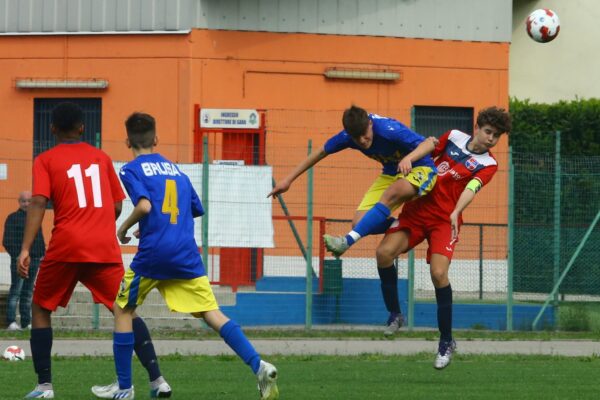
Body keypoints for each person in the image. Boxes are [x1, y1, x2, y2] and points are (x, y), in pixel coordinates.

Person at [96, 112, 278, 400]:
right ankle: (258, 364)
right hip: (185, 254)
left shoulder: (131, 170)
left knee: (122, 310)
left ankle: (124, 387)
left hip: (155, 255)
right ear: (156, 139)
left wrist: (124, 227)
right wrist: (158, 225)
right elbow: (193, 207)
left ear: (127, 140)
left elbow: (144, 206)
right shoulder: (175, 169)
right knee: (212, 313)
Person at [17, 102, 170, 399]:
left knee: (40, 307)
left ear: (52, 130)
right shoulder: (101, 158)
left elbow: (38, 202)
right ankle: (158, 380)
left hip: (66, 246)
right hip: (102, 247)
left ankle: (44, 386)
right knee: (125, 310)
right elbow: (116, 204)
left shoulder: (45, 159)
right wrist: (97, 224)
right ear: (82, 128)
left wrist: (25, 248)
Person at [268, 105, 437, 334]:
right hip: (391, 173)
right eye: (357, 139)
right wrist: (288, 180)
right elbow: (319, 152)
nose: (363, 142)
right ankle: (395, 314)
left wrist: (409, 157)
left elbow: (430, 143)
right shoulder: (349, 136)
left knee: (391, 194)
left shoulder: (389, 129)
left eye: (366, 136)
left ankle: (347, 241)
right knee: (360, 223)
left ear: (370, 124)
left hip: (421, 169)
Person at [375, 106, 512, 368]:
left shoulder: (489, 164)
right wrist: (408, 160)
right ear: (477, 128)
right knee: (383, 253)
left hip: (443, 221)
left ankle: (446, 341)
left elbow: (472, 187)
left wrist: (457, 211)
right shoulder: (453, 137)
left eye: (497, 136)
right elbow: (428, 153)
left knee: (439, 274)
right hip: (416, 212)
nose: (491, 138)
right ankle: (395, 314)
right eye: (488, 132)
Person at [3, 191, 45, 330]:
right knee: (16, 290)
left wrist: (41, 255)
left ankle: (26, 322)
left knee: (27, 293)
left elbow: (39, 239)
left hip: (35, 260)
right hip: (19, 261)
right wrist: (18, 256)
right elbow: (7, 241)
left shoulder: (35, 218)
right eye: (24, 201)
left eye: (29, 201)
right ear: (19, 202)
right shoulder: (12, 218)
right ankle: (11, 322)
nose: (27, 204)